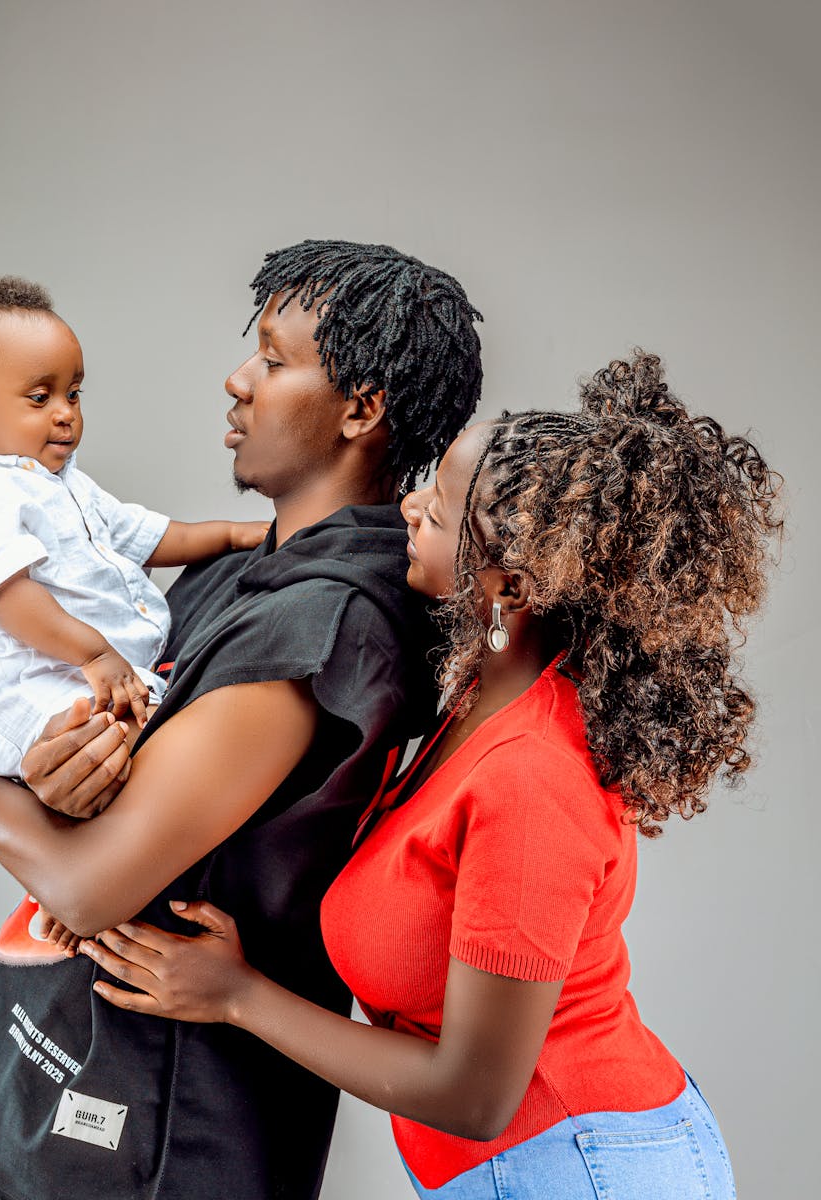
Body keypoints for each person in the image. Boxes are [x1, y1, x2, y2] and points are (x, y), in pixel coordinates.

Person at [78, 353, 781, 1200]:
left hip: (581, 1169)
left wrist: (236, 997)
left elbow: (476, 1096)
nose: (408, 507)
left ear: (509, 586)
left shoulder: (531, 777)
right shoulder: (477, 693)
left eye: (438, 512)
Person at [0, 240, 484, 1200]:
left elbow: (92, 888)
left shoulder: (326, 621)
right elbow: (115, 775)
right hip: (85, 1075)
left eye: (272, 358)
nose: (236, 381)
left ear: (362, 409)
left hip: (164, 1133)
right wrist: (65, 771)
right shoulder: (250, 565)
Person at [0, 276, 269, 779]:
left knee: (156, 734)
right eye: (40, 397)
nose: (66, 414)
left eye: (74, 393)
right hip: (25, 683)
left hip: (92, 670)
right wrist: (95, 652)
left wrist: (232, 534)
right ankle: (66, 799)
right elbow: (10, 598)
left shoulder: (64, 485)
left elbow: (147, 534)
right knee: (104, 745)